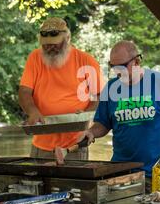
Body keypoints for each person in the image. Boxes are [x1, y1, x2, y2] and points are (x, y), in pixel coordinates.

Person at [77, 41, 160, 193]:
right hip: (121, 172)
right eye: (113, 67)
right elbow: (103, 124)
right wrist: (91, 132)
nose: (117, 72)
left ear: (137, 61)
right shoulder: (110, 88)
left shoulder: (159, 82)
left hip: (158, 172)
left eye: (122, 66)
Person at [18, 17, 102, 161]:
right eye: (46, 45)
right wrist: (33, 111)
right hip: (42, 144)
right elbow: (24, 91)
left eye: (55, 44)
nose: (50, 48)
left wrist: (86, 116)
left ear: (67, 39)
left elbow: (99, 96)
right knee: (36, 183)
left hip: (75, 145)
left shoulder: (86, 60)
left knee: (74, 183)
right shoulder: (34, 58)